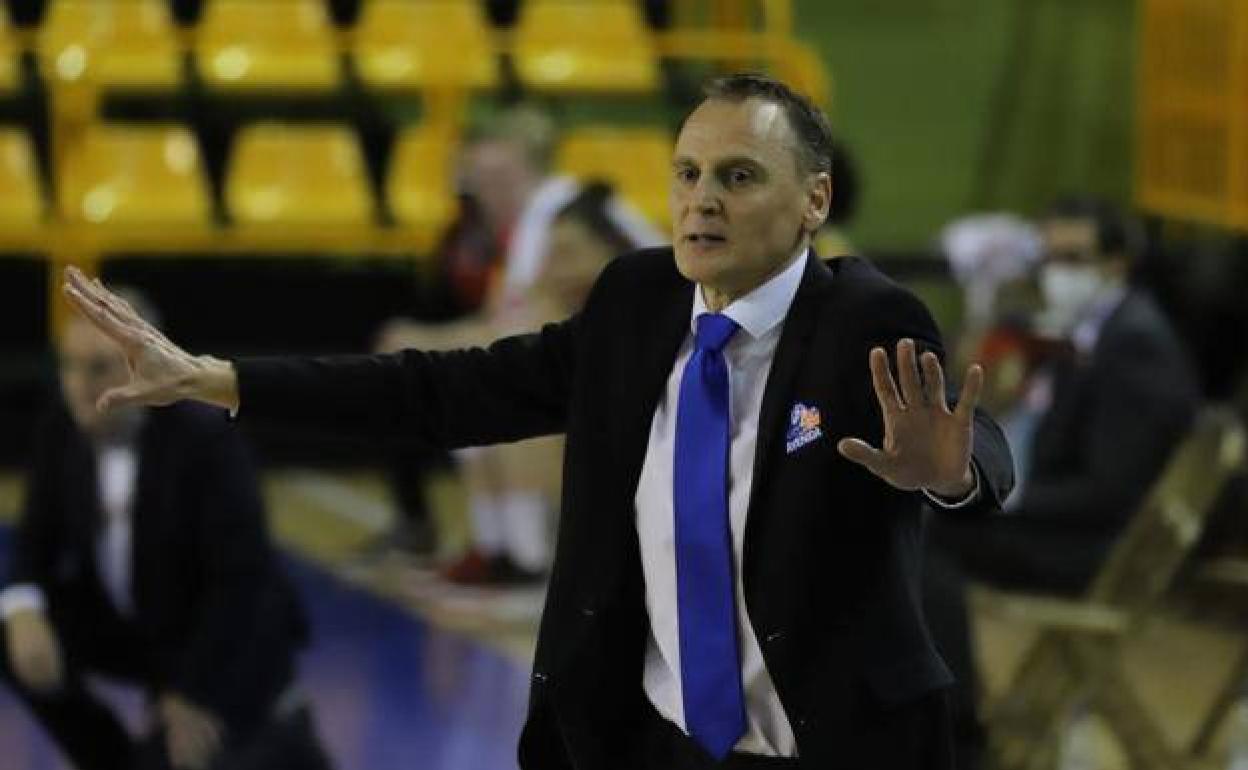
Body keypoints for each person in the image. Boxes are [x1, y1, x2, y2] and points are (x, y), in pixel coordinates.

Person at [63, 74, 1014, 769]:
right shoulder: (637, 303)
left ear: (815, 200)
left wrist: (952, 471)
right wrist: (223, 379)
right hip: (650, 742)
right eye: (686, 174)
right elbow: (440, 391)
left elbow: (965, 446)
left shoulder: (866, 321)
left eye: (738, 176)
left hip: (832, 741)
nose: (701, 200)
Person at [923, 198, 1201, 770]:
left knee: (925, 535)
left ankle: (957, 729)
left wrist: (1005, 496)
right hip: (1077, 529)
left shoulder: (1134, 343)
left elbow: (1109, 490)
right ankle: (947, 715)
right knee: (924, 519)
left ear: (1116, 263)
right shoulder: (1090, 327)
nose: (1057, 272)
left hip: (1099, 551)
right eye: (1048, 258)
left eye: (1074, 257)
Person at [0, 294, 328, 770]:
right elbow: (34, 542)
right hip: (138, 625)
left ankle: (285, 734)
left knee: (197, 754)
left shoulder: (206, 439)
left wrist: (192, 693)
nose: (78, 385)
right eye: (68, 366)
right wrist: (23, 610)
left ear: (144, 366)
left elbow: (241, 583)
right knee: (8, 626)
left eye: (99, 368)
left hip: (224, 645)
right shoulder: (62, 427)